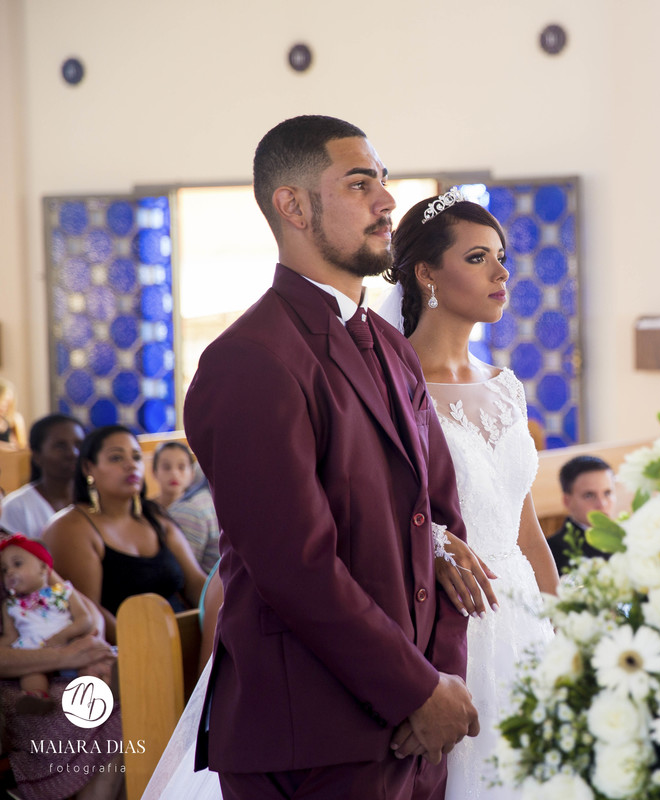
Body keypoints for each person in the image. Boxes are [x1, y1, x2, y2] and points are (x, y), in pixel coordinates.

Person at [183, 115, 477, 800]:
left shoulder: (390, 343)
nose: (386, 201)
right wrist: (413, 688)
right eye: (358, 183)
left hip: (412, 730)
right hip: (311, 735)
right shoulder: (251, 360)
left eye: (382, 181)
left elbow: (441, 529)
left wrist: (440, 680)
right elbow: (295, 565)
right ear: (292, 205)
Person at [380, 189, 558, 800]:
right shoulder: (390, 384)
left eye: (502, 256)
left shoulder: (506, 386)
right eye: (479, 257)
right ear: (426, 273)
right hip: (450, 623)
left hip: (524, 618)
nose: (503, 272)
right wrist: (431, 539)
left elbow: (524, 526)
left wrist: (559, 625)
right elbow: (373, 510)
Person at [41, 425, 206, 644]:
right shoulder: (70, 526)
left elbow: (195, 582)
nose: (131, 465)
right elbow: (89, 609)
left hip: (179, 637)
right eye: (116, 458)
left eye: (136, 457)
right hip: (121, 650)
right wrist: (145, 649)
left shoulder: (155, 516)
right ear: (89, 468)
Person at [0, 520, 123, 800]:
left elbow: (86, 613)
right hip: (14, 678)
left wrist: (82, 644)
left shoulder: (12, 545)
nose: (9, 573)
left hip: (54, 657)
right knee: (106, 712)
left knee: (133, 695)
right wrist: (62, 655)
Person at [0, 534, 103, 713]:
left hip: (69, 641)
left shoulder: (63, 591)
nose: (9, 572)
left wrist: (63, 636)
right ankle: (36, 698)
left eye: (17, 564)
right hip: (34, 652)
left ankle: (102, 686)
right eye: (3, 569)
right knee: (31, 673)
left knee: (90, 656)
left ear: (43, 567)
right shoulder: (10, 605)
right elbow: (11, 636)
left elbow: (85, 619)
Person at [0, 414, 86, 539]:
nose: (73, 453)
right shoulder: (16, 507)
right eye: (60, 446)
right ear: (37, 456)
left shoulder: (97, 501)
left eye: (79, 445)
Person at [152, 441, 220, 572]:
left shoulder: (195, 509)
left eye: (181, 467)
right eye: (166, 467)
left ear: (192, 473)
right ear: (154, 471)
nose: (174, 473)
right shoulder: (145, 509)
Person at [546, 455, 616, 574]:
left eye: (607, 493)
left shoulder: (627, 538)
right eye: (589, 495)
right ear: (567, 501)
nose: (602, 504)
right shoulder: (552, 552)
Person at [0, 378, 28, 451]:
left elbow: (21, 446)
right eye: (2, 401)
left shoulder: (14, 420)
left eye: (7, 402)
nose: (3, 405)